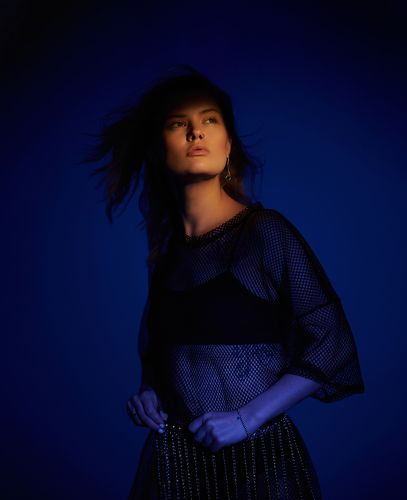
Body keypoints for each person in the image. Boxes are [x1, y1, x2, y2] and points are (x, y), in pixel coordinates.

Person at [85, 66, 365, 499]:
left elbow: (333, 341)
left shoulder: (263, 233)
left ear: (228, 143)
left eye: (209, 120)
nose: (196, 132)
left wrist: (246, 419)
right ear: (158, 148)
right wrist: (147, 391)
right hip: (176, 466)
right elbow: (160, 350)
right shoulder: (166, 253)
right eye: (178, 123)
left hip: (260, 463)